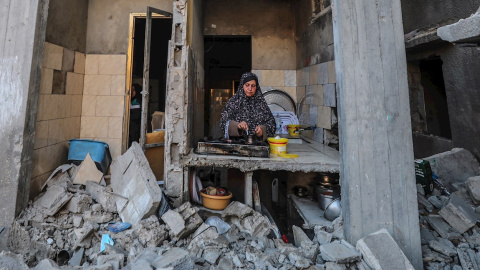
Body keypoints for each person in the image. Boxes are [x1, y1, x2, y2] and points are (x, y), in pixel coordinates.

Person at [220, 72, 276, 141]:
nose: (250, 89)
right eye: (247, 85)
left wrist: (262, 130)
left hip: (257, 146)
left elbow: (272, 124)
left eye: (253, 86)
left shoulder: (261, 103)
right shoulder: (233, 102)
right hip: (236, 146)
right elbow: (223, 122)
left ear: (256, 87)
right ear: (242, 86)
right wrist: (237, 125)